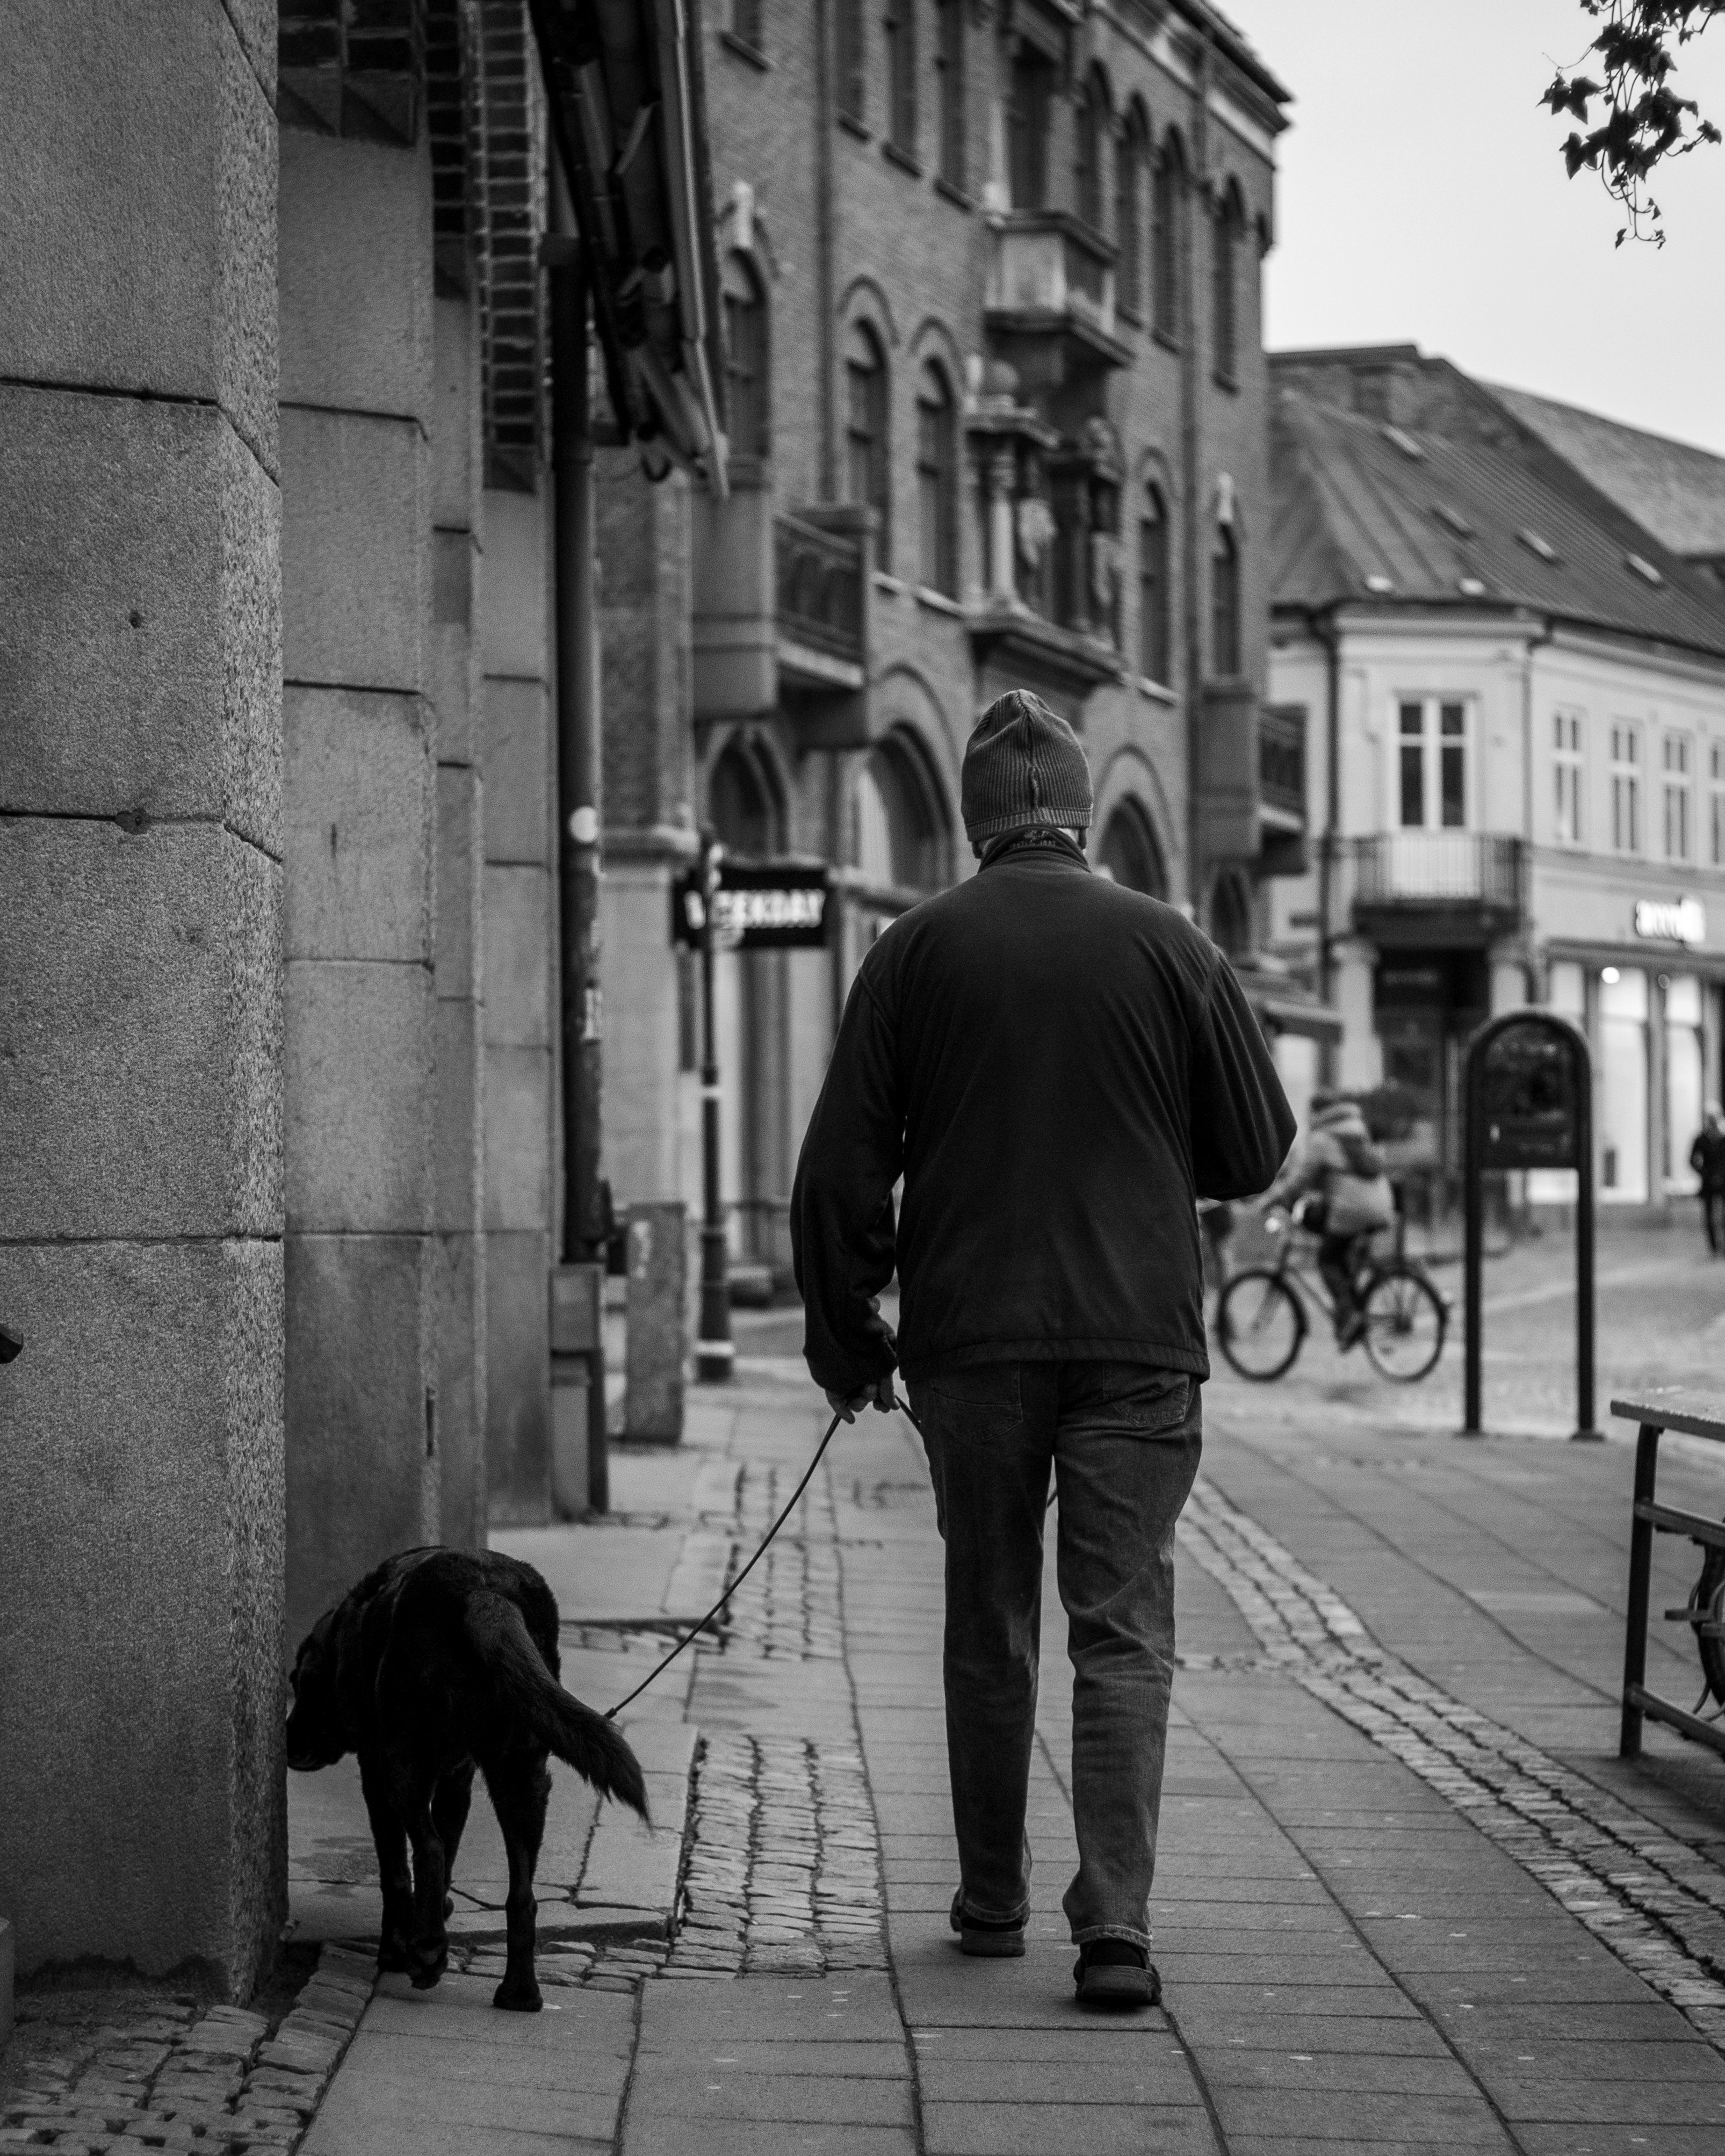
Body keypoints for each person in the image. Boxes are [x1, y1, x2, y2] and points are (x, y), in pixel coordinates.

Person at [791, 690, 1294, 2009]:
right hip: (1135, 1335)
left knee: (987, 1617)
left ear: (971, 820)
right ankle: (1115, 1927)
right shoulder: (1170, 944)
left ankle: (989, 1897)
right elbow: (1253, 1147)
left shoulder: (911, 952)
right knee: (1122, 1629)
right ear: (1077, 809)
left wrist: (848, 1338)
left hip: (973, 1340)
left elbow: (840, 1171)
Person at [1264, 1089, 1396, 1345]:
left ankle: (1349, 1318)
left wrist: (1271, 1199)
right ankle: (1353, 1311)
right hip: (1381, 1204)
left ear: (1316, 1113)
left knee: (1327, 1259)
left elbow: (1300, 1180)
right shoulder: (1358, 1130)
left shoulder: (1323, 1138)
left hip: (1353, 1209)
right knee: (1340, 1251)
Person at [1692, 1103, 1725, 1256]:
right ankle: (1714, 1247)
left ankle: (1722, 1244)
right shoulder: (1701, 1138)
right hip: (1709, 1182)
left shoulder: (1723, 1137)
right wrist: (1705, 1173)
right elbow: (1692, 1160)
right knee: (1709, 1215)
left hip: (1723, 1181)